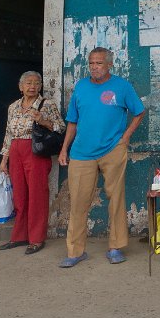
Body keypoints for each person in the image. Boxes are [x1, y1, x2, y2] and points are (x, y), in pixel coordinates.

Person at [58, 47, 145, 267]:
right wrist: (64, 149)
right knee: (78, 201)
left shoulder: (122, 86)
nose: (94, 67)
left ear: (109, 65)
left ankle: (115, 247)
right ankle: (75, 252)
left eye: (99, 63)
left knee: (115, 198)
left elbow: (139, 111)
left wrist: (125, 138)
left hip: (112, 149)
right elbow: (72, 122)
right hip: (81, 152)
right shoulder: (80, 87)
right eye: (91, 63)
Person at [0, 71, 65, 255]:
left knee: (37, 194)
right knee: (19, 194)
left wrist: (42, 120)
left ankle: (36, 238)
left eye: (36, 83)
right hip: (16, 151)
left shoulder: (46, 104)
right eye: (28, 83)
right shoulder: (13, 107)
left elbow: (60, 127)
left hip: (35, 150)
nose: (32, 86)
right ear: (21, 87)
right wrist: (5, 159)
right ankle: (19, 236)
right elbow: (8, 134)